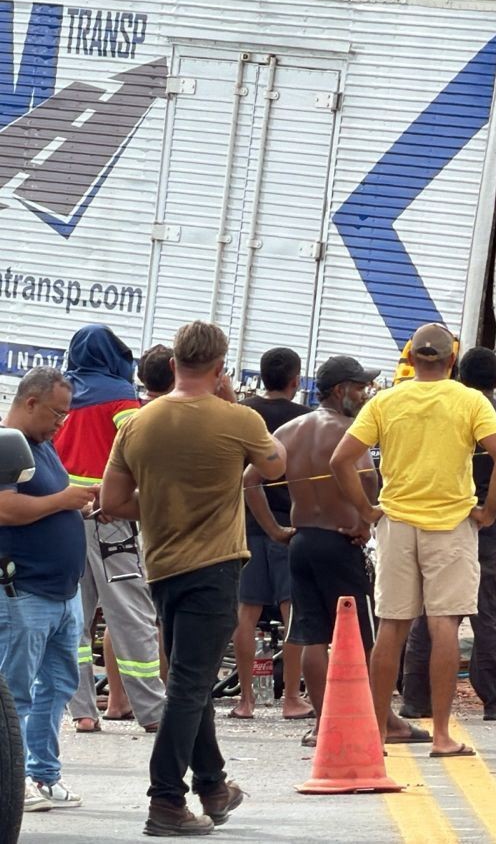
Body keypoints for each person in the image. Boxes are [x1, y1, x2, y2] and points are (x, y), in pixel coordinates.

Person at [101, 321, 285, 836]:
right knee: (188, 683)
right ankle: (165, 798)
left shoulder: (137, 424)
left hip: (161, 565)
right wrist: (229, 399)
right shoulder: (238, 419)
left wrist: (158, 508)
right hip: (214, 566)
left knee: (194, 679)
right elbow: (274, 466)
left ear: (174, 362)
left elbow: (113, 501)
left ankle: (213, 784)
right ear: (220, 366)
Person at [329, 323, 496, 758]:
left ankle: (376, 732)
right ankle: (442, 736)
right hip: (451, 525)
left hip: (396, 523)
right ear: (452, 361)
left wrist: (367, 509)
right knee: (444, 623)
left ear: (410, 359)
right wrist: (488, 511)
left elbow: (340, 460)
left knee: (392, 626)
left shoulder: (386, 401)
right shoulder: (469, 401)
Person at [244, 356, 427, 748]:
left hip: (303, 540)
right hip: (340, 541)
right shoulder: (349, 430)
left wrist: (275, 529)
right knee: (363, 638)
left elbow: (250, 479)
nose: (364, 395)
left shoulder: (291, 430)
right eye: (359, 388)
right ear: (341, 390)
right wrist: (366, 518)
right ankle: (382, 719)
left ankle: (325, 721)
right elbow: (363, 474)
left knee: (312, 634)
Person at [402, 347, 496, 722]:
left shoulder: (443, 409)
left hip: (439, 521)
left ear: (459, 375)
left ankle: (415, 698)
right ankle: (495, 702)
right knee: (487, 617)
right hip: (487, 528)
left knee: (431, 612)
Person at [54, 325, 165, 735]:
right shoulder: (120, 397)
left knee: (73, 619)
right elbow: (145, 446)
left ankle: (82, 710)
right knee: (131, 612)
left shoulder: (59, 397)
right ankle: (152, 711)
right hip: (109, 518)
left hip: (62, 518)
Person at [0, 368, 99, 813]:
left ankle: (43, 774)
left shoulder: (44, 447)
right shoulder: (6, 445)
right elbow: (5, 508)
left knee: (58, 685)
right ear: (31, 402)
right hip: (24, 592)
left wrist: (81, 501)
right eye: (57, 413)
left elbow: (48, 502)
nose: (62, 422)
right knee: (14, 692)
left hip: (62, 593)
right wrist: (63, 501)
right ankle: (10, 782)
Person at [231, 348, 312, 721]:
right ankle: (292, 698)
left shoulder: (243, 414)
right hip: (289, 526)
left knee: (245, 613)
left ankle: (245, 700)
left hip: (244, 525)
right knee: (291, 611)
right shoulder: (304, 420)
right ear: (295, 381)